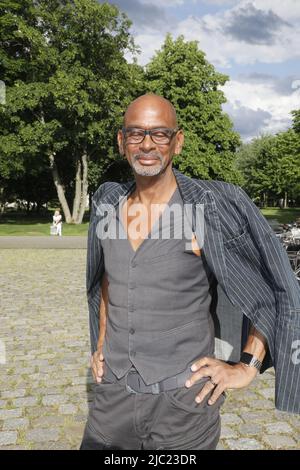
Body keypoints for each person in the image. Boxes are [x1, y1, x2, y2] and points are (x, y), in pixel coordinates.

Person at [81, 94, 300, 450]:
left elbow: (274, 285)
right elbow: (105, 278)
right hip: (113, 400)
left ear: (177, 141)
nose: (147, 144)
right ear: (121, 142)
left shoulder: (210, 206)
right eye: (135, 133)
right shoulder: (108, 202)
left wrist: (246, 366)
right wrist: (102, 339)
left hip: (184, 404)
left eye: (160, 134)